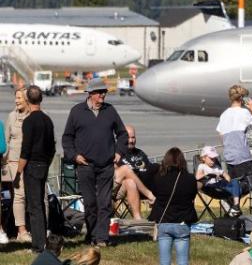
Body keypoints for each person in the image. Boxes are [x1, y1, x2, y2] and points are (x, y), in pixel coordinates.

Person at [61, 78, 129, 246]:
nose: (103, 95)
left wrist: (119, 152)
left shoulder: (110, 110)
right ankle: (91, 235)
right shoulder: (77, 111)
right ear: (91, 94)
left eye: (104, 92)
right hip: (85, 166)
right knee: (90, 203)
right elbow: (67, 138)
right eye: (100, 92)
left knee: (105, 203)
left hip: (106, 165)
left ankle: (102, 238)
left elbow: (122, 133)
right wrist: (74, 156)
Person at [147, 147, 198, 265]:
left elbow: (155, 194)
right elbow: (192, 196)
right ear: (182, 161)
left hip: (164, 223)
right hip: (182, 224)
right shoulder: (190, 179)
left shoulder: (158, 178)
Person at [17, 84, 55, 253]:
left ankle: (38, 246)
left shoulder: (28, 121)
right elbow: (52, 148)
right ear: (40, 99)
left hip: (32, 166)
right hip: (44, 165)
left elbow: (25, 151)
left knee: (34, 207)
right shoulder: (47, 120)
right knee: (40, 203)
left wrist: (18, 173)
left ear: (27, 100)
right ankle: (43, 241)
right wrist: (47, 162)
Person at [216, 84, 252, 182]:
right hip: (243, 157)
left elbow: (221, 134)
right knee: (248, 188)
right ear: (242, 98)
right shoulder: (244, 112)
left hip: (229, 158)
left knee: (236, 189)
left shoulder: (224, 115)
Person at [3, 87, 29, 243]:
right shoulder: (11, 117)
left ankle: (43, 228)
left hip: (31, 163)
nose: (16, 101)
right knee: (18, 195)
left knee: (37, 196)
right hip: (13, 163)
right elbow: (5, 142)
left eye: (19, 98)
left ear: (27, 99)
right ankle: (21, 230)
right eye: (16, 98)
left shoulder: (35, 116)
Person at [113, 124, 155, 221]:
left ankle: (138, 219)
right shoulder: (114, 151)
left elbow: (148, 169)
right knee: (127, 173)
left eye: (133, 137)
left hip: (142, 186)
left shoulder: (140, 153)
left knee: (131, 182)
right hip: (116, 188)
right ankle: (150, 196)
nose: (131, 140)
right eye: (128, 137)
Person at [195, 145, 242, 216]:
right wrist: (208, 174)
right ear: (203, 158)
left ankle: (236, 206)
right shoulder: (202, 166)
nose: (213, 161)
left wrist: (227, 180)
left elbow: (225, 174)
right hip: (211, 187)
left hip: (221, 184)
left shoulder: (216, 167)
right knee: (237, 190)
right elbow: (197, 177)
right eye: (211, 158)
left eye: (214, 159)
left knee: (235, 182)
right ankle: (231, 208)